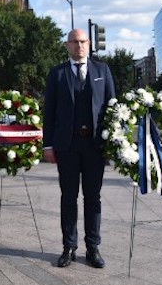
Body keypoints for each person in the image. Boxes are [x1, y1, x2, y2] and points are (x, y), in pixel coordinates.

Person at [43, 28, 115, 269]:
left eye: (83, 41)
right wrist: (48, 145)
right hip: (67, 145)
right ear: (67, 45)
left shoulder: (102, 71)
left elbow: (112, 108)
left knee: (93, 198)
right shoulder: (57, 74)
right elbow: (49, 112)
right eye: (74, 42)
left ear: (89, 43)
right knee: (69, 197)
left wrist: (112, 144)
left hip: (95, 146)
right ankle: (68, 246)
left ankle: (92, 247)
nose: (79, 45)